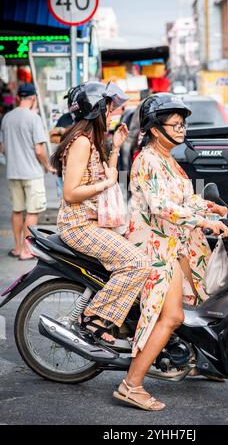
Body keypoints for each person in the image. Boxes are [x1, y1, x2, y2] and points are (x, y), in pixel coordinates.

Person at [113, 93, 228, 411]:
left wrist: (215, 208)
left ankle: (194, 361)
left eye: (183, 123)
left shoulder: (168, 160)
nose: (181, 129)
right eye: (174, 124)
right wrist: (203, 220)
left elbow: (184, 200)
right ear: (154, 128)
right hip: (152, 245)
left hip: (173, 242)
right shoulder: (148, 160)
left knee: (199, 299)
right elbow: (163, 207)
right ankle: (131, 385)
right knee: (172, 315)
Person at [51, 81, 155, 348]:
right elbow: (71, 193)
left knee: (143, 251)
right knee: (138, 263)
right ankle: (94, 318)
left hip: (94, 221)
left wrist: (116, 147)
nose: (112, 115)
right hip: (79, 225)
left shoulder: (92, 141)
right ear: (95, 110)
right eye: (108, 110)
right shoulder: (81, 143)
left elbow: (106, 176)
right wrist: (106, 183)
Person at [0, 83, 55, 260]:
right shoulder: (34, 118)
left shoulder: (7, 118)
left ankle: (17, 248)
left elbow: (2, 148)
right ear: (33, 99)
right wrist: (47, 166)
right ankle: (26, 251)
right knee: (32, 212)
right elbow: (39, 150)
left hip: (13, 173)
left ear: (18, 98)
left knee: (17, 210)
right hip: (32, 173)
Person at [49, 112, 74, 199]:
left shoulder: (85, 117)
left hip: (76, 163)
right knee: (62, 196)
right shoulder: (65, 117)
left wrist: (63, 131)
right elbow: (52, 136)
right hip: (62, 164)